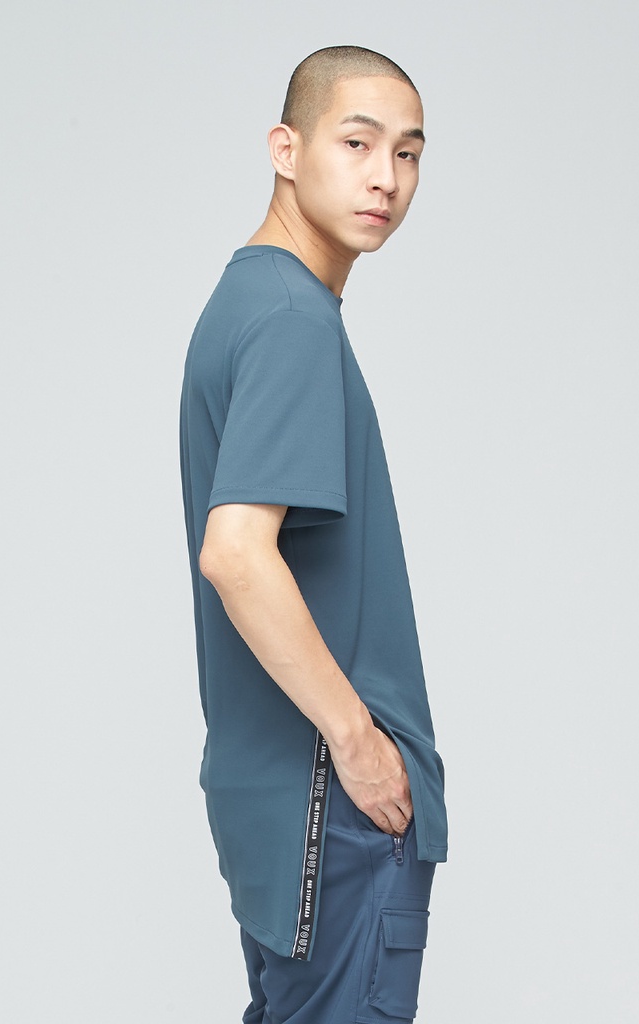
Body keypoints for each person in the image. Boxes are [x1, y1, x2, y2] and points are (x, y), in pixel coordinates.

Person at [179, 45, 447, 1023]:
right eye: (357, 143)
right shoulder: (293, 316)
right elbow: (235, 552)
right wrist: (361, 744)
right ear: (285, 149)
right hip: (332, 805)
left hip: (279, 798)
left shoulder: (251, 300)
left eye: (408, 153)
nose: (386, 178)